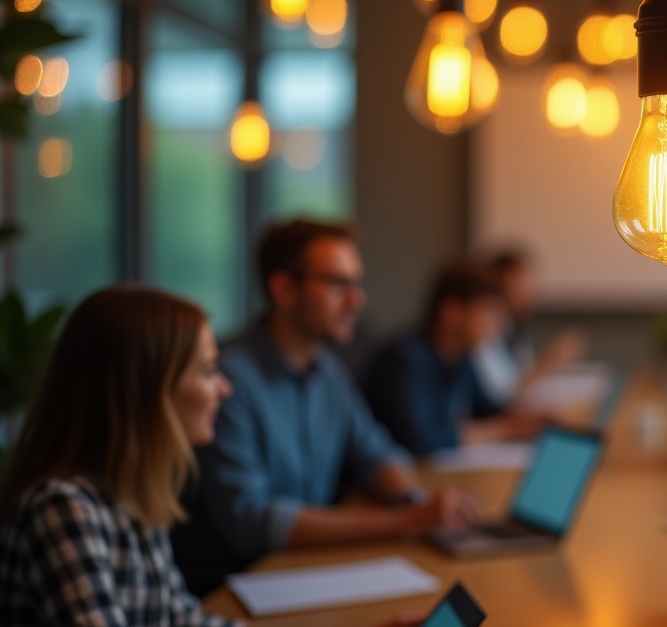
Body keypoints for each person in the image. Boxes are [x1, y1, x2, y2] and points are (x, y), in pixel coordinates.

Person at [172, 220, 476, 581]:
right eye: (338, 285)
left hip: (303, 568)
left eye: (357, 284)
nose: (357, 300)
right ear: (284, 289)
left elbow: (375, 452)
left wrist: (415, 501)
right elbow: (250, 521)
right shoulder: (228, 380)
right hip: (238, 583)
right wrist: (406, 522)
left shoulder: (328, 369)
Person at [0, 286, 239, 626]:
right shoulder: (62, 507)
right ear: (150, 389)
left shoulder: (131, 489)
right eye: (208, 371)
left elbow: (180, 619)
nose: (224, 388)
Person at [364, 261, 547, 457]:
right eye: (488, 312)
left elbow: (487, 410)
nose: (498, 326)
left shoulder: (462, 356)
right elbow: (419, 441)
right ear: (452, 313)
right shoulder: (402, 361)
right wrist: (505, 430)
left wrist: (528, 422)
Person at [471, 249, 585, 409]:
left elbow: (522, 381)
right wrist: (548, 361)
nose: (529, 294)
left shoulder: (514, 328)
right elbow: (501, 396)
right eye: (519, 287)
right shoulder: (482, 334)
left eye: (528, 286)